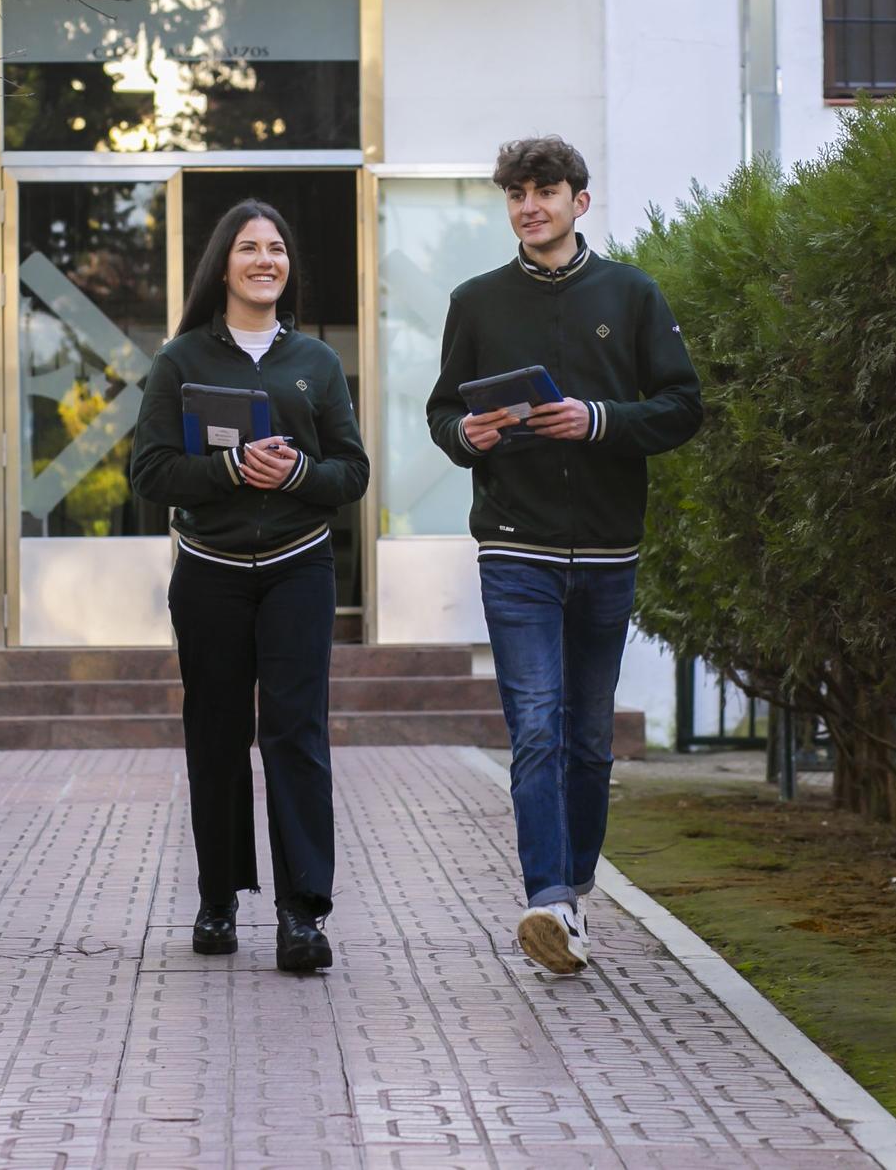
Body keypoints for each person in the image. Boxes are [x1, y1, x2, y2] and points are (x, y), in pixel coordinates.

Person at [426, 137, 702, 974]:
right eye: (516, 193)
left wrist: (599, 420)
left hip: (610, 550)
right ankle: (547, 899)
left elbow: (683, 407)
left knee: (588, 738)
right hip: (514, 546)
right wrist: (466, 435)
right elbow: (444, 415)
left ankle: (573, 891)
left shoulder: (633, 293)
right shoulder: (476, 302)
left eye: (545, 190)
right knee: (537, 727)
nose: (528, 205)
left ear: (581, 201)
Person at [129, 198, 369, 973]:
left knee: (296, 736)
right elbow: (149, 474)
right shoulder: (180, 361)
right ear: (222, 266)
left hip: (300, 567)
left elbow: (352, 473)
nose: (265, 259)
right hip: (211, 575)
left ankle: (304, 915)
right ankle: (218, 899)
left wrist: (300, 471)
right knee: (217, 737)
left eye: (277, 247)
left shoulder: (317, 365)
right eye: (248, 248)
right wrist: (228, 468)